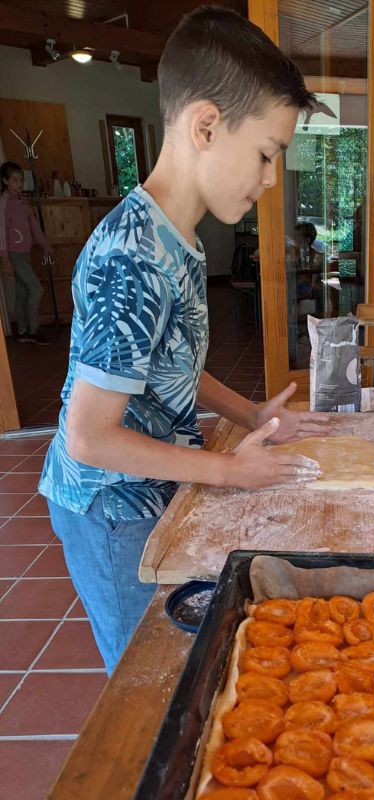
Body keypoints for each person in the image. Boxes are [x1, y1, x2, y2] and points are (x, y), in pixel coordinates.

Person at [38, 7, 328, 675]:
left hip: (153, 485)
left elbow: (168, 363)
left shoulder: (182, 241)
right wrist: (230, 471)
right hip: (111, 509)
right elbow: (89, 436)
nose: (269, 179)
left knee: (183, 661)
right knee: (148, 680)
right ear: (205, 126)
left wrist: (250, 416)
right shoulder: (131, 254)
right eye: (265, 154)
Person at [0, 161, 52, 345]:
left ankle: (22, 330)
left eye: (21, 180)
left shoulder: (23, 203)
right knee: (36, 289)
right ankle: (33, 330)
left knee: (23, 292)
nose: (19, 184)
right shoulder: (4, 203)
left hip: (25, 253)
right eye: (14, 180)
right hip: (13, 254)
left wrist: (46, 246)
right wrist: (4, 257)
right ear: (5, 181)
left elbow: (34, 227)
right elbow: (2, 232)